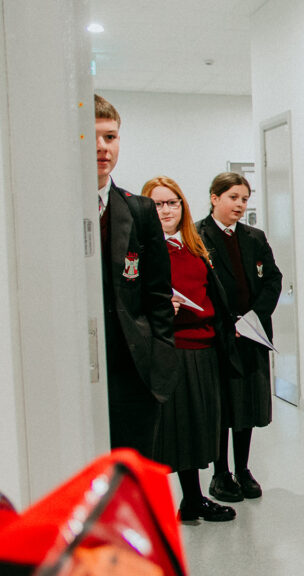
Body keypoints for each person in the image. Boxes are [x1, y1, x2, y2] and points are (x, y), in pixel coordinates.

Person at [141, 176, 241, 522]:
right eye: (157, 204)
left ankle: (194, 498)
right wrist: (159, 310)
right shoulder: (144, 251)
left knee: (202, 425)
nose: (166, 210)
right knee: (180, 428)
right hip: (175, 349)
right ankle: (189, 499)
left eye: (173, 203)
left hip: (206, 348)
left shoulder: (192, 245)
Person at [95, 94, 177, 460]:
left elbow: (158, 294)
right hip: (80, 366)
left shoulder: (139, 210)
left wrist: (161, 356)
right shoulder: (56, 209)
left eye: (110, 137)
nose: (103, 147)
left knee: (132, 471)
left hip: (133, 367)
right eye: (92, 137)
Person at [197, 172, 283, 504]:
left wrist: (254, 316)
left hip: (251, 332)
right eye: (233, 197)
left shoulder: (254, 237)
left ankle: (243, 469)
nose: (240, 204)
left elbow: (273, 279)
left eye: (245, 199)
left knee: (246, 404)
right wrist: (226, 322)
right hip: (218, 335)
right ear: (214, 197)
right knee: (222, 405)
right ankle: (220, 473)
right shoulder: (198, 236)